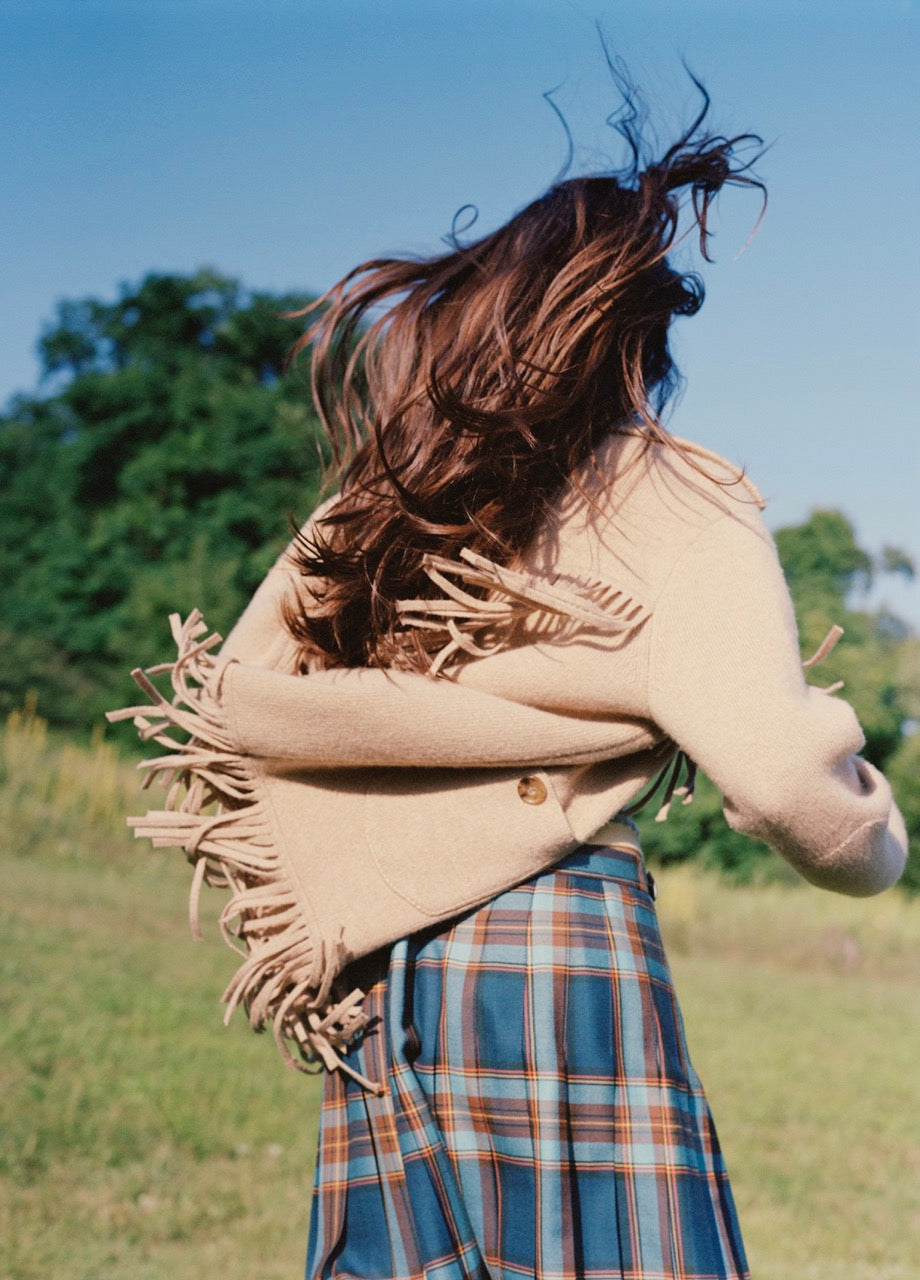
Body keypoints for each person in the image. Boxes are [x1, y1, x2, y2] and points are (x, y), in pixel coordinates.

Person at [111, 74, 907, 1280]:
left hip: (392, 959)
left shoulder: (392, 502)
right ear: (629, 342)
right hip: (559, 937)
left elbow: (247, 685)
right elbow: (789, 783)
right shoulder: (665, 486)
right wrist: (878, 834)